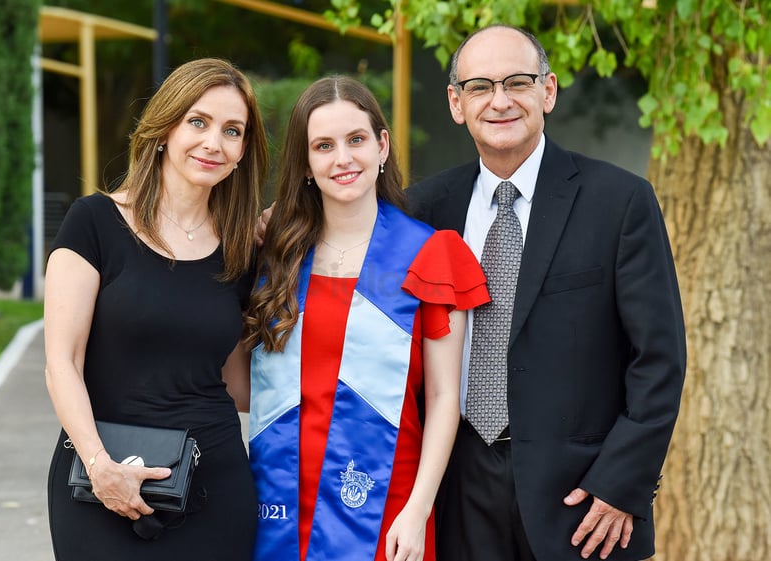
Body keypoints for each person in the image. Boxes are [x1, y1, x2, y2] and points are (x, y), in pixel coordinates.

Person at [407, 25, 686, 561]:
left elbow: (659, 359)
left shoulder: (620, 202)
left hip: (583, 503)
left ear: (548, 91)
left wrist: (621, 482)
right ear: (456, 103)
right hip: (455, 490)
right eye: (481, 87)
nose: (501, 101)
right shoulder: (425, 210)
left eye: (518, 82)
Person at [245, 76, 489, 561]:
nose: (343, 159)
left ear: (382, 146)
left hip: (385, 504)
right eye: (323, 145)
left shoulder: (429, 254)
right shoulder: (276, 257)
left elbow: (445, 399)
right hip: (277, 498)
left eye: (356, 140)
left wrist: (418, 511)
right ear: (306, 165)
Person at [44, 57, 268, 560]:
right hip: (99, 481)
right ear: (164, 128)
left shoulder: (243, 249)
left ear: (242, 152)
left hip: (214, 488)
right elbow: (62, 364)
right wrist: (102, 468)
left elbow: (237, 383)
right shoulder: (94, 222)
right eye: (198, 122)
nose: (214, 142)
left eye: (232, 131)